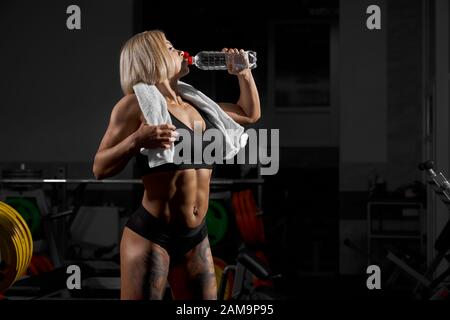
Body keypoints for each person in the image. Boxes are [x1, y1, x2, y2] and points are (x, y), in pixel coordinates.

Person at [92, 30, 260, 300]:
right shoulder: (133, 106)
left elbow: (249, 113)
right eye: (169, 47)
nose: (179, 51)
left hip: (196, 236)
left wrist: (243, 74)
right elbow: (99, 168)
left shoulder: (197, 105)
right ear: (153, 59)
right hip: (151, 235)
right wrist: (137, 139)